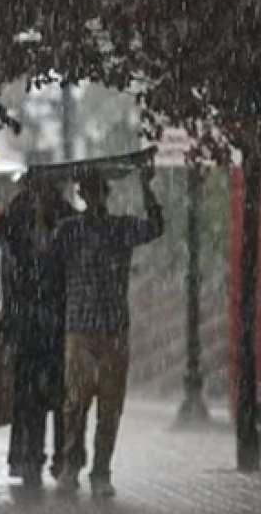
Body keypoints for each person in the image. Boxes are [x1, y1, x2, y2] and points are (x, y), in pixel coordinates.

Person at [52, 166, 163, 498]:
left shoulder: (121, 228)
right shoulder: (68, 230)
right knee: (75, 403)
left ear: (105, 193)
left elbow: (156, 227)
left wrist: (147, 187)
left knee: (110, 407)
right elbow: (45, 258)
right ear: (82, 194)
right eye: (87, 190)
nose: (93, 195)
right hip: (80, 329)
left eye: (98, 189)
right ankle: (72, 464)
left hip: (113, 328)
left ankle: (101, 470)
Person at [0, 176, 78, 487]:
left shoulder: (65, 216)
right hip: (28, 321)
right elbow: (8, 260)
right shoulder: (17, 215)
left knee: (59, 395)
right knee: (28, 395)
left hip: (56, 320)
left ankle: (62, 458)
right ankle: (29, 457)